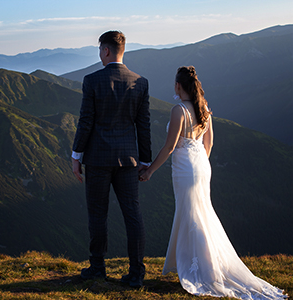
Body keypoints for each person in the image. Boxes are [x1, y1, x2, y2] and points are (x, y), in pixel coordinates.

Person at [140, 66, 287, 299]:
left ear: (178, 86)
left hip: (184, 167)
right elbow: (208, 144)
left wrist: (149, 171)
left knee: (191, 215)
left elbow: (169, 147)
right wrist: (199, 164)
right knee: (202, 213)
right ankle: (204, 262)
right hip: (200, 165)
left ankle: (199, 268)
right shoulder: (204, 109)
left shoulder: (179, 110)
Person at [71, 30, 151, 288]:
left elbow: (86, 122)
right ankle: (137, 273)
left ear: (105, 50)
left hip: (97, 159)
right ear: (122, 50)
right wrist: (146, 161)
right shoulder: (140, 82)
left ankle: (97, 267)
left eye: (99, 50)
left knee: (97, 214)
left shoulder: (92, 80)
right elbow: (144, 125)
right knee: (133, 214)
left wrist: (76, 155)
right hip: (128, 160)